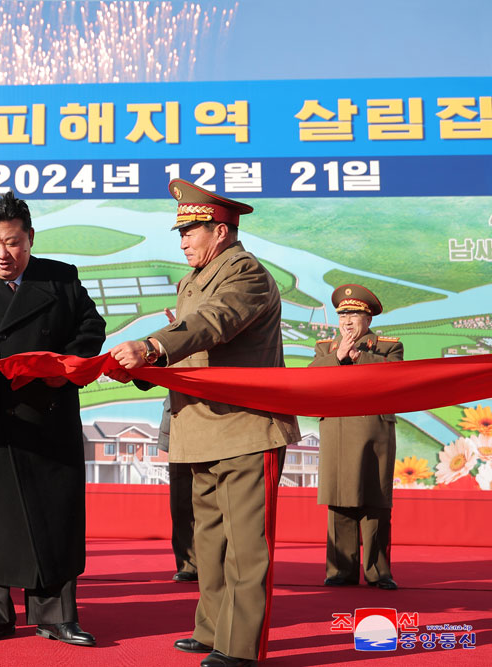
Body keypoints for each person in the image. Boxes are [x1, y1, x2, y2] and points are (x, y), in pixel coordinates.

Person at [108, 179, 300, 667]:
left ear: (221, 230)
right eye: (181, 231)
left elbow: (213, 322)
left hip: (246, 427)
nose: (183, 240)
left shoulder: (245, 275)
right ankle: (212, 628)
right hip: (200, 428)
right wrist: (147, 370)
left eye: (191, 230)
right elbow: (192, 347)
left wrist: (152, 347)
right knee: (209, 539)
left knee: (245, 545)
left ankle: (239, 648)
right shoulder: (194, 277)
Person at [0, 191, 105, 648]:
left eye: (13, 243)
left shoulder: (61, 278)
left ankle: (57, 616)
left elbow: (91, 329)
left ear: (30, 238)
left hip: (48, 411)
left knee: (55, 515)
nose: (2, 254)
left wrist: (64, 369)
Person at [311, 284, 402, 590]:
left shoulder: (388, 346)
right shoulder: (326, 348)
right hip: (337, 429)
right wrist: (338, 356)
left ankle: (378, 571)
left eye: (354, 315)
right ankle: (340, 571)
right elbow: (311, 378)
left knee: (375, 502)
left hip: (373, 432)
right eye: (342, 315)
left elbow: (393, 377)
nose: (347, 322)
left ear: (369, 319)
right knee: (339, 501)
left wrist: (357, 359)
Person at [158, 396, 198, 583]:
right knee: (182, 497)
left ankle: (219, 562)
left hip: (221, 415)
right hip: (180, 414)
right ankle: (188, 563)